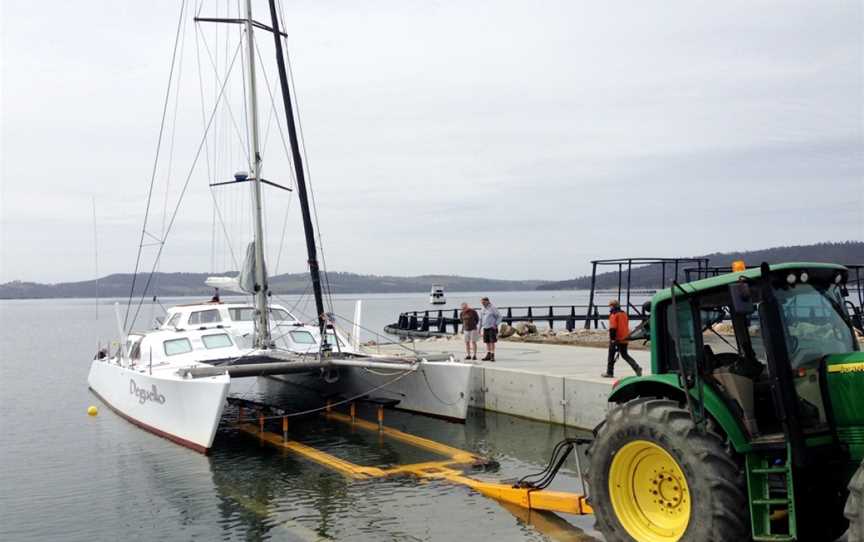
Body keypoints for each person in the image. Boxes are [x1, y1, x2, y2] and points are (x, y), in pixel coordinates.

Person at [601, 299, 642, 378]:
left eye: (610, 306)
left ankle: (609, 372)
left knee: (611, 355)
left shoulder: (614, 315)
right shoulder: (624, 314)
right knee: (624, 355)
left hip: (617, 338)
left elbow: (613, 328)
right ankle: (637, 368)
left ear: (613, 306)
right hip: (625, 337)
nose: (609, 307)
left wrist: (612, 339)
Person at [479, 297, 502, 361]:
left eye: (483, 302)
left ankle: (492, 355)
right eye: (482, 302)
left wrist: (496, 324)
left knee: (492, 342)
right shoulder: (482, 309)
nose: (482, 304)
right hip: (485, 327)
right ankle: (488, 354)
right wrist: (479, 329)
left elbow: (500, 317)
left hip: (492, 327)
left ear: (488, 301)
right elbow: (480, 320)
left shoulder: (493, 308)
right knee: (487, 342)